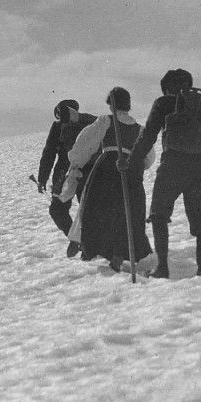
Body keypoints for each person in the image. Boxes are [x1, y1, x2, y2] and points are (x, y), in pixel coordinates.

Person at [132, 67, 201, 278]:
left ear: (166, 88)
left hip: (174, 166)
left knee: (159, 214)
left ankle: (162, 267)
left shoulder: (163, 103)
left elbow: (148, 136)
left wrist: (131, 161)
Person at [60, 86, 154, 273]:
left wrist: (76, 160)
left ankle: (100, 251)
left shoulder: (105, 121)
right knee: (128, 214)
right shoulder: (139, 129)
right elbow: (149, 158)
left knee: (97, 211)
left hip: (107, 170)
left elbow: (85, 144)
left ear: (111, 106)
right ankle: (120, 254)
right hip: (132, 172)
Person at [39, 99, 95, 253]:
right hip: (90, 172)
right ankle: (86, 244)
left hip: (64, 175)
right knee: (88, 210)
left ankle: (77, 240)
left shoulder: (59, 126)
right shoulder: (89, 123)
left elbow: (49, 153)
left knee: (57, 210)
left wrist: (42, 178)